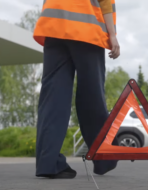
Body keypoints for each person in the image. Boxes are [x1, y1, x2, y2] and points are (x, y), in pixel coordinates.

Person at [32, 0, 120, 179]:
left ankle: (48, 163)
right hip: (86, 29)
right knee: (91, 96)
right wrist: (112, 34)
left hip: (53, 26)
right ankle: (104, 157)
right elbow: (105, 2)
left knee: (52, 99)